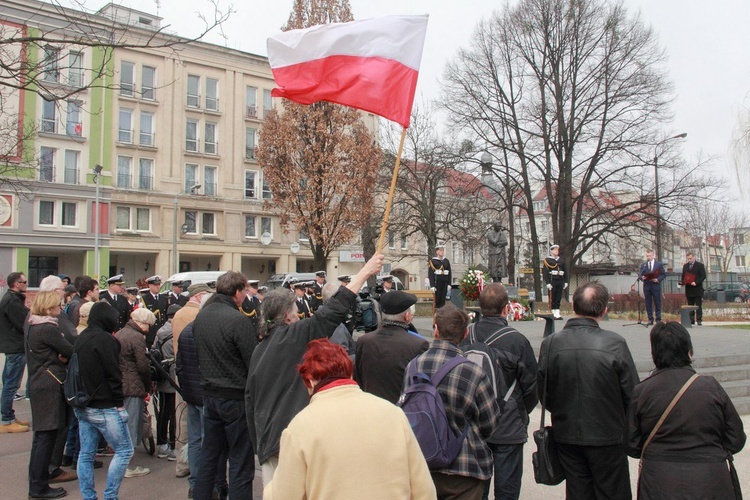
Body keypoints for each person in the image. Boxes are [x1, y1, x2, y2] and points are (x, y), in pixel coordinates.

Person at [246, 254, 384, 486]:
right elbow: (333, 311)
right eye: (295, 311)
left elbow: (249, 400)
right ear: (287, 315)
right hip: (293, 439)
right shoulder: (293, 336)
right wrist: (364, 272)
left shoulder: (260, 349)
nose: (299, 314)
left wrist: (258, 444)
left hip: (268, 442)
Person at [264, 338, 436, 499]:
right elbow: (424, 490)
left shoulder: (300, 427)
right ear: (350, 374)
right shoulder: (393, 414)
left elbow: (283, 495)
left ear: (310, 382)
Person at [538, 282, 639, 500]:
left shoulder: (551, 343)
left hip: (569, 434)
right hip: (607, 436)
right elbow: (632, 394)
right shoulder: (614, 344)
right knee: (613, 492)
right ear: (605, 310)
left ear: (574, 306)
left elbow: (544, 393)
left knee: (578, 491)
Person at [627, 322, 745, 499]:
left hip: (659, 481)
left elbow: (631, 444)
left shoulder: (642, 392)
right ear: (689, 351)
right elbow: (736, 439)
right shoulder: (710, 387)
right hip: (710, 480)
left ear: (654, 355)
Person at [406, 304, 501, 498]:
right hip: (465, 466)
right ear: (466, 333)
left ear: (435, 330)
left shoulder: (413, 366)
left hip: (423, 460)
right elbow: (490, 424)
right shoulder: (472, 371)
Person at [466, 283, 538, 500]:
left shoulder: (465, 335)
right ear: (506, 308)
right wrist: (523, 413)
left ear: (479, 307)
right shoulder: (516, 340)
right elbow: (532, 385)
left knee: (476, 489)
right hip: (508, 422)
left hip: (473, 422)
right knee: (507, 490)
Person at [192, 271, 258, 500]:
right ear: (237, 292)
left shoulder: (202, 316)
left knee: (209, 457)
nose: (246, 296)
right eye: (245, 291)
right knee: (240, 461)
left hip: (210, 396)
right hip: (235, 398)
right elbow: (253, 362)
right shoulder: (237, 320)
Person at [74, 302, 134, 500]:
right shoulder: (106, 340)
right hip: (104, 406)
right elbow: (113, 374)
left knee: (86, 454)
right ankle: (110, 496)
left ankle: (88, 496)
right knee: (125, 450)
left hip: (83, 404)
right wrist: (119, 403)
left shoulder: (82, 336)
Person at [175, 292, 228, 500]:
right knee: (209, 442)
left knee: (196, 441)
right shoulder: (206, 331)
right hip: (206, 394)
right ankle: (211, 485)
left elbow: (180, 365)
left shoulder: (188, 330)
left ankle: (195, 483)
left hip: (192, 394)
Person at [25, 291, 74, 499]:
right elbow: (70, 350)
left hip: (40, 382)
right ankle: (38, 487)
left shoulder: (31, 323)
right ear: (48, 308)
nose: (59, 310)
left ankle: (38, 479)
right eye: (57, 306)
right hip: (50, 385)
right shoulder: (47, 328)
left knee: (41, 437)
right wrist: (60, 358)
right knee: (46, 438)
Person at [171, 282, 214, 481]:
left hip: (184, 375)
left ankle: (186, 468)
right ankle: (202, 479)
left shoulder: (180, 314)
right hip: (199, 380)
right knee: (202, 435)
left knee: (190, 431)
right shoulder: (196, 317)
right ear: (200, 296)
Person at [354, 290, 429, 404]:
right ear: (407, 316)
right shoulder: (418, 344)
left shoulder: (364, 341)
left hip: (369, 408)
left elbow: (357, 379)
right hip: (401, 411)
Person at [114, 307, 156, 478]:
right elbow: (143, 365)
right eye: (149, 325)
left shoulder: (121, 333)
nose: (149, 329)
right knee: (131, 426)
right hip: (133, 385)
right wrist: (148, 384)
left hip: (120, 383)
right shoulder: (137, 337)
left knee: (122, 426)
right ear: (143, 323)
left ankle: (122, 462)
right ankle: (128, 466)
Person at [0, 271, 30, 433]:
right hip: (15, 347)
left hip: (13, 346)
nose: (26, 284)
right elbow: (23, 322)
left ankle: (9, 416)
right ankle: (6, 420)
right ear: (16, 284)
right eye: (24, 282)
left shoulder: (12, 299)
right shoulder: (12, 301)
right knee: (11, 385)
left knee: (9, 383)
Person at [153, 304, 180, 461]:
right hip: (172, 375)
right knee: (173, 412)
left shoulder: (160, 331)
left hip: (162, 374)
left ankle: (162, 444)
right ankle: (171, 446)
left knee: (163, 411)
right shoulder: (174, 330)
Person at [640, 249, 665, 325]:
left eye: (650, 256)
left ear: (653, 255)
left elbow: (663, 274)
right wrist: (642, 278)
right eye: (647, 256)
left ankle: (658, 319)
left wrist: (657, 279)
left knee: (657, 302)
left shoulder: (658, 264)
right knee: (648, 303)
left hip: (655, 286)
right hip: (647, 286)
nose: (648, 257)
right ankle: (650, 319)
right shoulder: (644, 265)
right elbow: (640, 274)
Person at [681, 251, 707, 325]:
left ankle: (699, 319)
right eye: (688, 259)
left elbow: (703, 276)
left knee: (698, 305)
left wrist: (696, 282)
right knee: (690, 305)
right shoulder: (685, 266)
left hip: (697, 289)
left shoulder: (700, 265)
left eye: (690, 258)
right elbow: (683, 276)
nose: (689, 260)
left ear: (694, 257)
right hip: (689, 289)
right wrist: (683, 282)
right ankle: (691, 320)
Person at [542, 244, 568, 320]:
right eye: (555, 250)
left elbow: (565, 271)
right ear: (551, 251)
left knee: (558, 296)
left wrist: (566, 281)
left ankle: (557, 312)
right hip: (552, 280)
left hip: (560, 280)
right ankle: (553, 312)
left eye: (557, 250)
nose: (557, 251)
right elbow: (545, 272)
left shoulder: (561, 260)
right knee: (552, 297)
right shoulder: (547, 260)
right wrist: (547, 283)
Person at [141, 275, 168, 345]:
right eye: (155, 284)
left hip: (162, 331)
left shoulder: (164, 298)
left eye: (159, 284)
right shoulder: (145, 299)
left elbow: (165, 315)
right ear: (150, 286)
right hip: (151, 332)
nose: (158, 286)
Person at [428, 244, 452, 309]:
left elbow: (449, 273)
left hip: (445, 281)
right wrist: (432, 285)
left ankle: (442, 311)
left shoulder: (446, 261)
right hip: (437, 282)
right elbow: (431, 274)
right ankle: (437, 312)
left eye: (443, 250)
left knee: (443, 298)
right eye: (440, 250)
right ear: (437, 252)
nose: (442, 252)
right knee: (437, 298)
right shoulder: (433, 261)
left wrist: (449, 284)